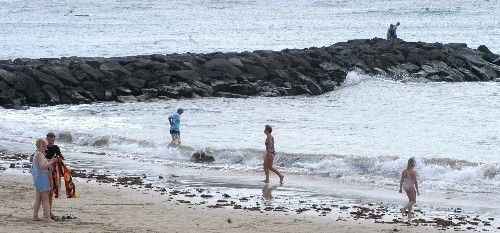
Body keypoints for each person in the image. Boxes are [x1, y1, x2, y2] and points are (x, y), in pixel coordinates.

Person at [31, 138, 58, 222]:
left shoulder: (37, 153)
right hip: (42, 179)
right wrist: (52, 161)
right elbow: (42, 167)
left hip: (37, 178)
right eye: (45, 146)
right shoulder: (40, 154)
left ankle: (35, 216)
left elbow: (41, 164)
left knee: (39, 198)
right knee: (45, 199)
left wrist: (50, 163)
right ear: (42, 146)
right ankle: (48, 218)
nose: (46, 147)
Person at [45, 132, 63, 219]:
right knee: (44, 194)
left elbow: (61, 157)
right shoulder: (42, 148)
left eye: (53, 140)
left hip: (53, 173)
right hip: (44, 173)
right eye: (49, 139)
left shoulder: (56, 148)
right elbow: (34, 157)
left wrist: (58, 159)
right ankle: (47, 213)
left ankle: (49, 212)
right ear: (46, 139)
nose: (51, 141)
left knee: (50, 193)